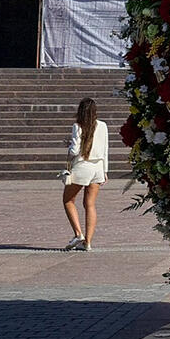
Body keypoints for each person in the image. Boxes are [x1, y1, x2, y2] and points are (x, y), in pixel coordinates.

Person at [62, 97, 109, 251]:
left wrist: (69, 146)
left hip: (83, 166)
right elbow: (105, 150)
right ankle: (87, 242)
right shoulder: (102, 126)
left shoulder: (78, 126)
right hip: (98, 167)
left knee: (68, 200)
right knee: (90, 204)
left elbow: (75, 150)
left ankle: (78, 234)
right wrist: (105, 171)